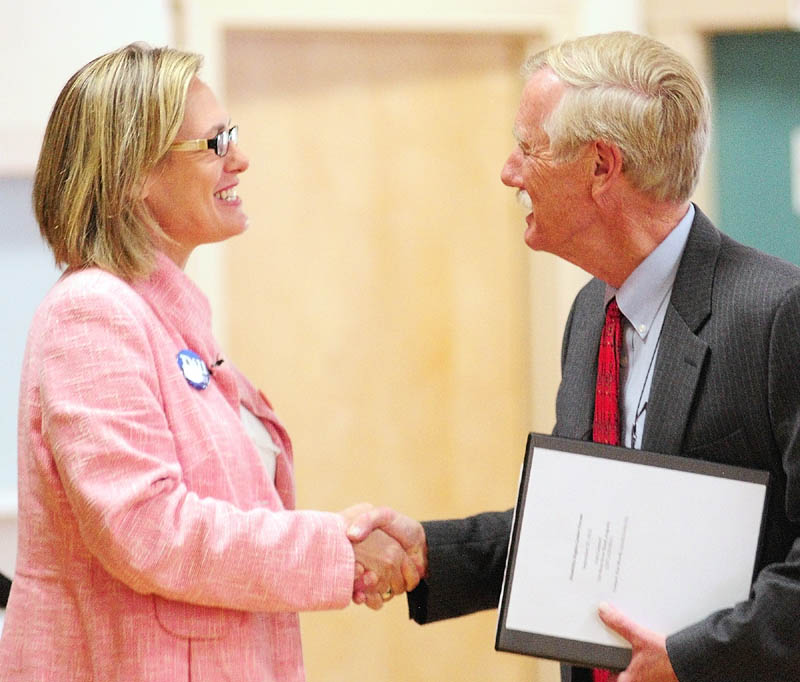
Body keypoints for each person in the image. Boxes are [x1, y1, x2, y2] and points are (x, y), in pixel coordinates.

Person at [348, 31, 800, 682]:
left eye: (528, 148)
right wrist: (432, 554)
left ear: (600, 167)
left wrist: (691, 659)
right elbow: (583, 525)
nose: (509, 171)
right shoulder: (593, 314)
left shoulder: (778, 314)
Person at [0, 43, 424, 682]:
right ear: (133, 172)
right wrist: (336, 549)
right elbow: (146, 528)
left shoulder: (164, 317)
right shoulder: (91, 313)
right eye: (215, 143)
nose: (241, 159)